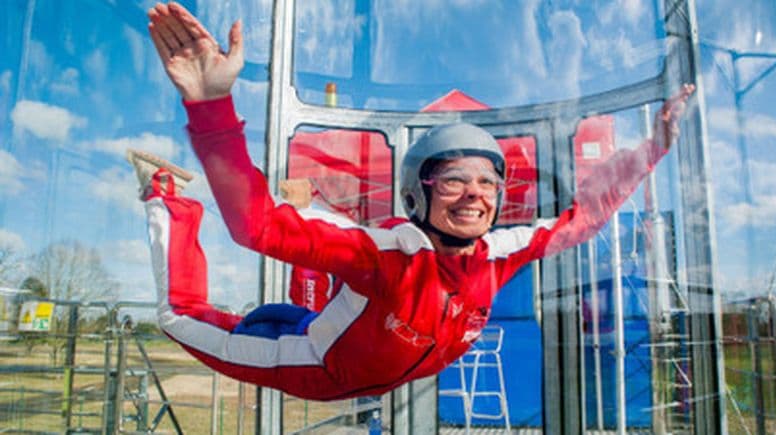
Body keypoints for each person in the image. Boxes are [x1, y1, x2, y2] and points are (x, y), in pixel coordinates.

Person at [137, 2, 695, 401]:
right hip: (308, 367)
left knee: (285, 317)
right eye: (452, 179)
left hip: (354, 350)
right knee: (177, 318)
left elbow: (585, 219)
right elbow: (259, 227)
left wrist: (654, 148)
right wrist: (211, 105)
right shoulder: (389, 253)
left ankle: (281, 316)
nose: (475, 193)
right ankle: (165, 197)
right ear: (416, 196)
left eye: (488, 181)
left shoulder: (498, 252)